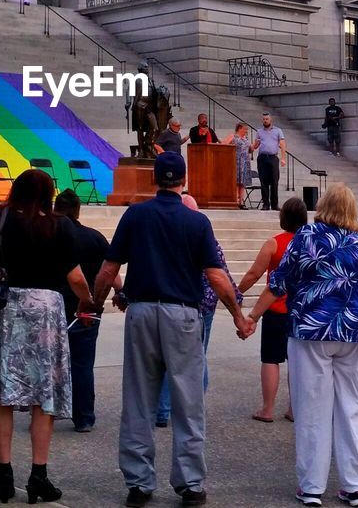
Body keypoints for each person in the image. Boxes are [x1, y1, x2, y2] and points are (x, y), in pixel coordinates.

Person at [91, 151, 246, 508]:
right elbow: (216, 276)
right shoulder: (196, 222)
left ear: (154, 179)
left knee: (139, 398)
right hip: (183, 313)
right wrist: (238, 314)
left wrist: (94, 303)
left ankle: (139, 482)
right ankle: (190, 483)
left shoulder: (136, 215)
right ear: (183, 181)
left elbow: (108, 269)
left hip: (142, 310)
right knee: (188, 400)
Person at [247, 184, 358, 507]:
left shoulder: (304, 238)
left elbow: (277, 285)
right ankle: (354, 486)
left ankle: (311, 487)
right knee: (351, 409)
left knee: (312, 409)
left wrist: (251, 316)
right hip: (352, 333)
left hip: (310, 332)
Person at [0, 170, 93, 504]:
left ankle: (5, 474)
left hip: (7, 308)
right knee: (44, 397)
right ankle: (39, 475)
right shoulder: (60, 225)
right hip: (46, 311)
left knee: (3, 394)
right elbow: (76, 277)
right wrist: (86, 300)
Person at [154, 193, 241, 429]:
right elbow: (219, 270)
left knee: (168, 357)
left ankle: (163, 411)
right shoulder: (203, 233)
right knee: (197, 357)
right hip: (202, 304)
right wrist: (237, 303)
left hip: (180, 302)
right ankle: (193, 411)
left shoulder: (167, 236)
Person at [236, 196, 308, 423]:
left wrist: (237, 292)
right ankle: (295, 408)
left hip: (275, 308)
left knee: (270, 359)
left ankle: (267, 409)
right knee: (297, 361)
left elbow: (254, 274)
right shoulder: (309, 244)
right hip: (301, 311)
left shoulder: (274, 243)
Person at [55, 189, 121, 433]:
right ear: (78, 210)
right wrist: (119, 293)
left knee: (48, 363)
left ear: (55, 209)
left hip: (52, 308)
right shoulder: (94, 237)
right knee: (83, 364)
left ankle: (47, 412)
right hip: (86, 311)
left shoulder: (46, 235)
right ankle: (83, 417)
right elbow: (110, 271)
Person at [252, 113, 287, 211]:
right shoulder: (259, 131)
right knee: (263, 182)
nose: (265, 121)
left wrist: (283, 158)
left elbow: (283, 145)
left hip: (273, 158)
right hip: (262, 158)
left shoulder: (278, 131)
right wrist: (250, 146)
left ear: (271, 120)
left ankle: (275, 204)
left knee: (274, 182)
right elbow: (256, 145)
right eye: (263, 119)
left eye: (267, 119)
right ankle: (266, 204)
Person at [221, 123, 253, 204]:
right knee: (236, 182)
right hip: (236, 162)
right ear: (239, 128)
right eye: (245, 129)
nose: (246, 131)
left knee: (242, 183)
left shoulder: (246, 139)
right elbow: (223, 145)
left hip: (245, 162)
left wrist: (254, 146)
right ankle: (235, 200)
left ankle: (241, 202)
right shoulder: (233, 136)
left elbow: (250, 150)